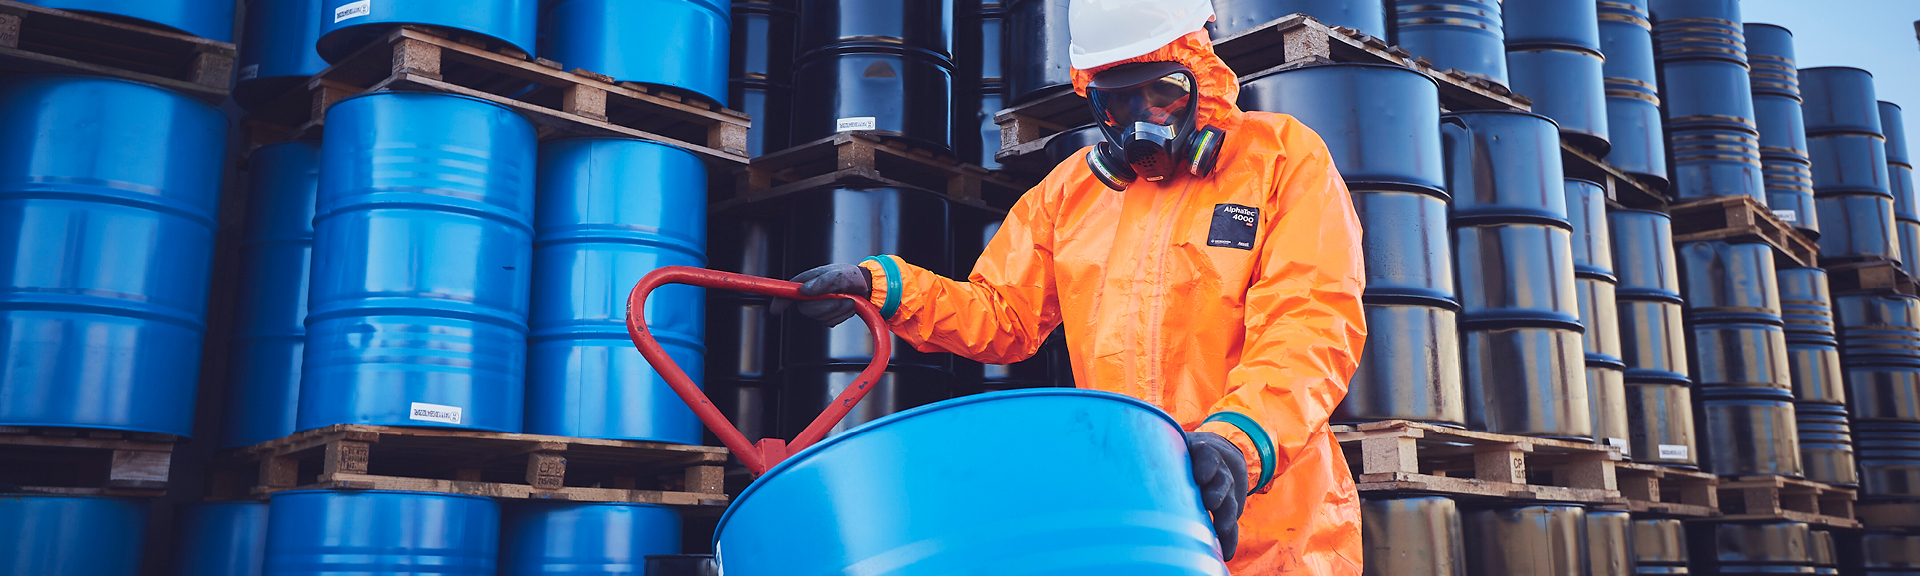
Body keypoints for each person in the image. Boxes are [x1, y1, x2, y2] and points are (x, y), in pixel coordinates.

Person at [771, 0, 1366, 572]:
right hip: (1135, 511)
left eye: (1164, 94)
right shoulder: (1071, 193)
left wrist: (1239, 442)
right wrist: (882, 287)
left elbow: (1310, 321)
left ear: (1202, 77)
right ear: (1094, 101)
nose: (1144, 121)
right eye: (1119, 102)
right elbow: (1003, 316)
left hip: (1271, 521)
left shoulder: (1281, 159)